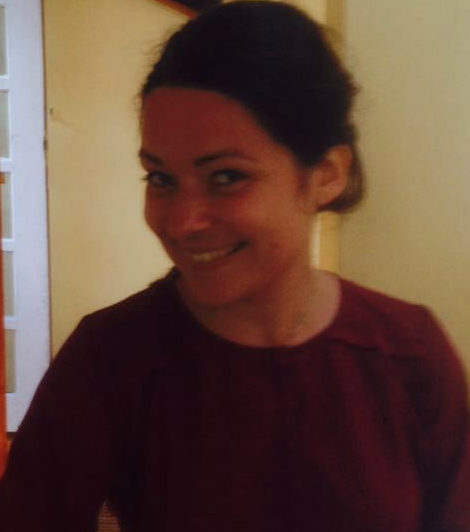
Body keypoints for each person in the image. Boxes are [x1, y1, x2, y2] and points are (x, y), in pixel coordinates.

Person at [0, 2, 469, 531]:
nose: (182, 222)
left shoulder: (410, 354)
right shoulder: (110, 360)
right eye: (160, 178)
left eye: (226, 177)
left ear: (326, 174)